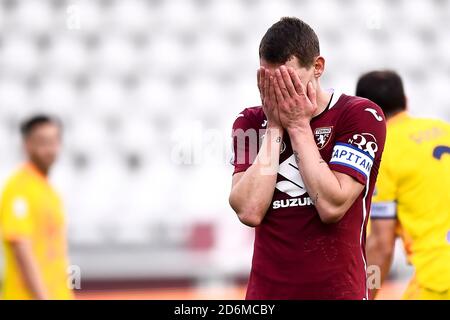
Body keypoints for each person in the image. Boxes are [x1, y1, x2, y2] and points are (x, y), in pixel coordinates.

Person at [229, 17, 386, 299]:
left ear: (317, 67)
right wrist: (276, 126)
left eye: (289, 81)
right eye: (270, 81)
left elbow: (332, 205)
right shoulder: (251, 121)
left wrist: (299, 126)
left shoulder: (359, 115)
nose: (280, 92)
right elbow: (249, 210)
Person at [357, 70, 450, 300]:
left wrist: (366, 293)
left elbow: (381, 247)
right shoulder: (444, 129)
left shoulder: (383, 151)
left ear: (363, 112)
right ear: (405, 101)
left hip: (439, 278)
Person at [0, 115, 74, 300]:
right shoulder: (19, 189)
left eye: (54, 141)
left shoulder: (49, 191)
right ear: (27, 145)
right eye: (42, 142)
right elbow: (21, 248)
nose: (50, 149)